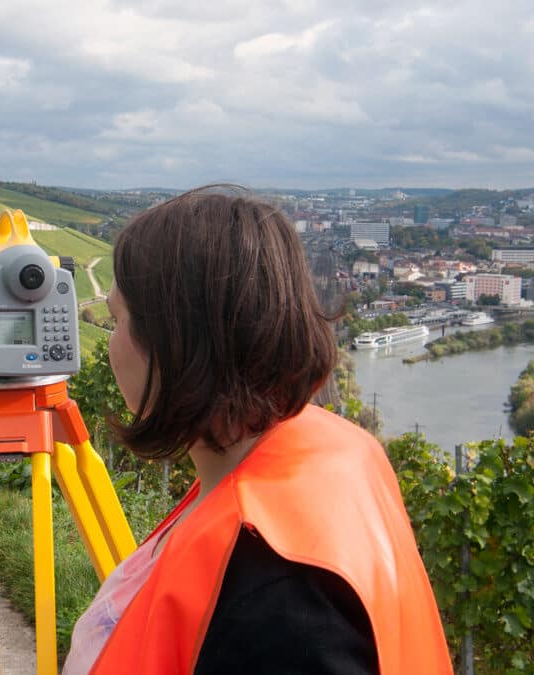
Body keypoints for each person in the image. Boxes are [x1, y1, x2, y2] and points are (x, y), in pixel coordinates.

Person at [64, 186, 451, 674]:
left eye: (119, 319)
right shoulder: (332, 452)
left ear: (178, 345)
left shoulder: (277, 590)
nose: (109, 344)